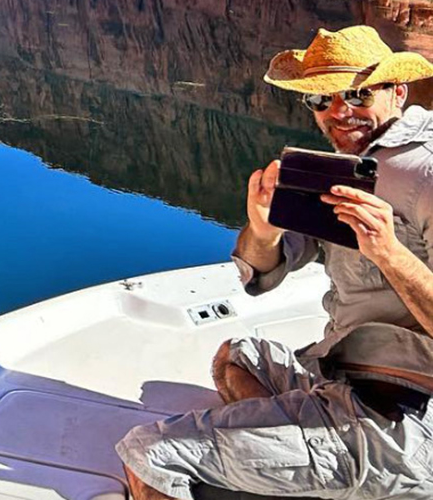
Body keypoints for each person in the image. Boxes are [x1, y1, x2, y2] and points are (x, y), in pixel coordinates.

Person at [116, 25, 433, 499]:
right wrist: (263, 227)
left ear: (398, 93)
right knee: (234, 357)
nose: (338, 112)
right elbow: (260, 275)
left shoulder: (425, 174)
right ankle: (307, 466)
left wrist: (389, 253)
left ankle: (338, 463)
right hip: (342, 375)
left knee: (146, 454)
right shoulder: (344, 165)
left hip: (402, 415)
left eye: (357, 94)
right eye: (321, 101)